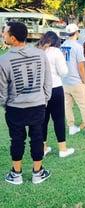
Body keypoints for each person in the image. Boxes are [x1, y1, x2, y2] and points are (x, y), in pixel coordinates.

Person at [0, 22, 52, 184]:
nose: (3, 34)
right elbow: (48, 81)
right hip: (37, 105)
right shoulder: (41, 54)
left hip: (15, 108)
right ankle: (38, 173)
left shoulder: (4, 60)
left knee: (17, 139)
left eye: (5, 32)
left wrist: (4, 104)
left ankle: (17, 174)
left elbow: (2, 89)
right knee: (37, 137)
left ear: (13, 39)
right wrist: (44, 99)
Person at [39, 32, 75, 158]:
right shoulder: (56, 52)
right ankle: (62, 149)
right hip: (55, 88)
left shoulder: (38, 50)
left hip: (40, 90)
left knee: (42, 120)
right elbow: (64, 71)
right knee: (58, 119)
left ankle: (43, 148)